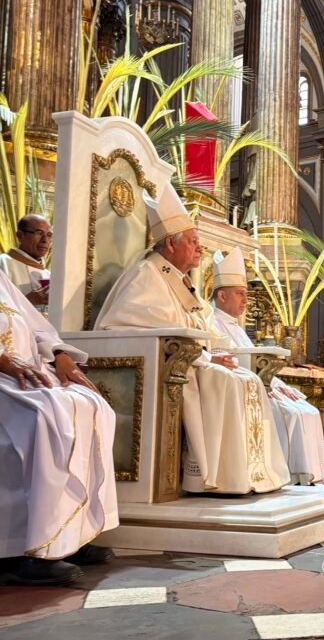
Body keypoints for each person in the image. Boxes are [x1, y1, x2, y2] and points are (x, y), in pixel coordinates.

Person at [95, 184, 290, 495]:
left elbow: (202, 328)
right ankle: (212, 476)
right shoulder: (147, 274)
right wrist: (206, 357)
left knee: (246, 379)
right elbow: (133, 322)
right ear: (170, 245)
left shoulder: (181, 280)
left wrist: (214, 353)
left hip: (190, 362)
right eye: (194, 242)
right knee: (227, 381)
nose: (200, 248)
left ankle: (249, 475)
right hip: (166, 367)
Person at [0, 270, 118, 585]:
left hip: (27, 374)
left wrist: (59, 354)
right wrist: (5, 361)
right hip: (6, 375)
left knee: (93, 405)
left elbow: (35, 324)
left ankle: (70, 534)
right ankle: (21, 551)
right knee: (41, 418)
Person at [209, 247, 324, 485]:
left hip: (260, 385)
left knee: (309, 410)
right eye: (240, 294)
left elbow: (255, 360)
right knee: (291, 414)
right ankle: (291, 473)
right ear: (222, 296)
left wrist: (278, 383)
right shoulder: (211, 323)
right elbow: (229, 362)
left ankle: (311, 475)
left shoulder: (237, 327)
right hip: (239, 391)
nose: (246, 300)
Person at [0, 213, 52, 307]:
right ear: (20, 235)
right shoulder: (3, 263)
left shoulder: (47, 274)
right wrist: (28, 301)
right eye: (39, 233)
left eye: (49, 235)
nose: (45, 240)